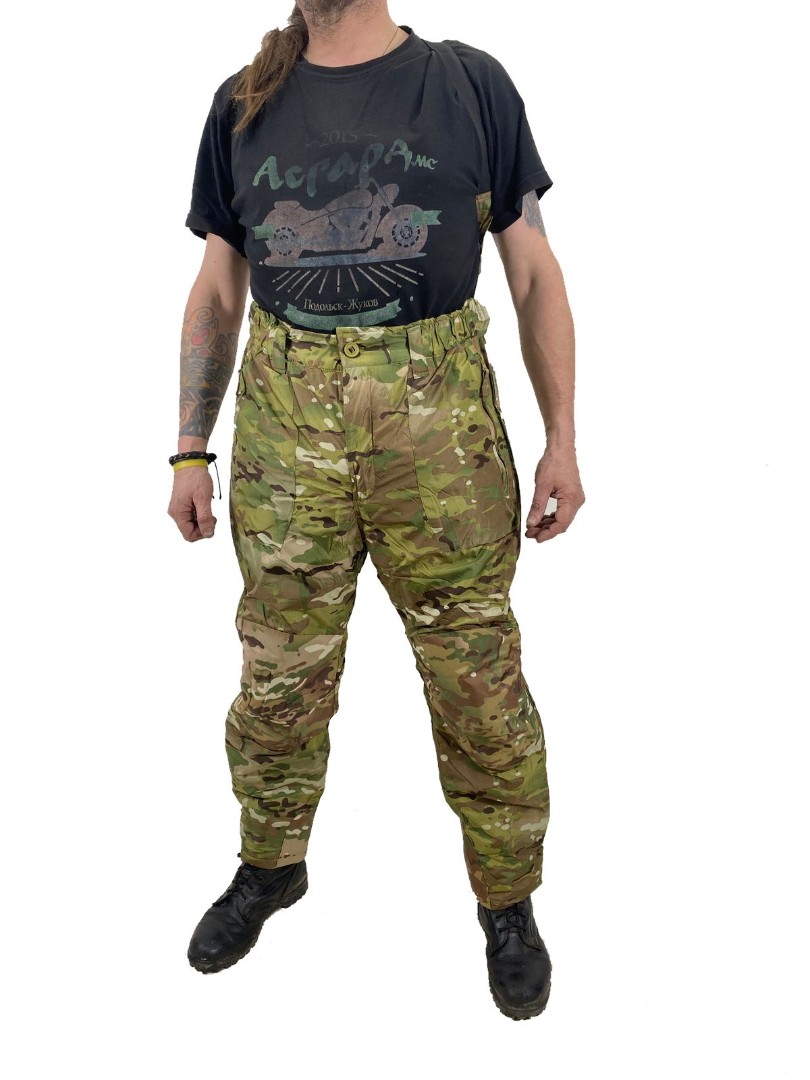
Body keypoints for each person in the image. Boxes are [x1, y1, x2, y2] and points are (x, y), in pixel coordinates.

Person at [168, 0, 584, 1020]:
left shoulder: (468, 84)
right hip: (284, 432)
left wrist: (562, 437)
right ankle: (271, 863)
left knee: (477, 674)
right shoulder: (242, 103)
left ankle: (507, 901)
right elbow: (218, 287)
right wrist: (189, 446)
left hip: (439, 437)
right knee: (279, 673)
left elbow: (532, 270)